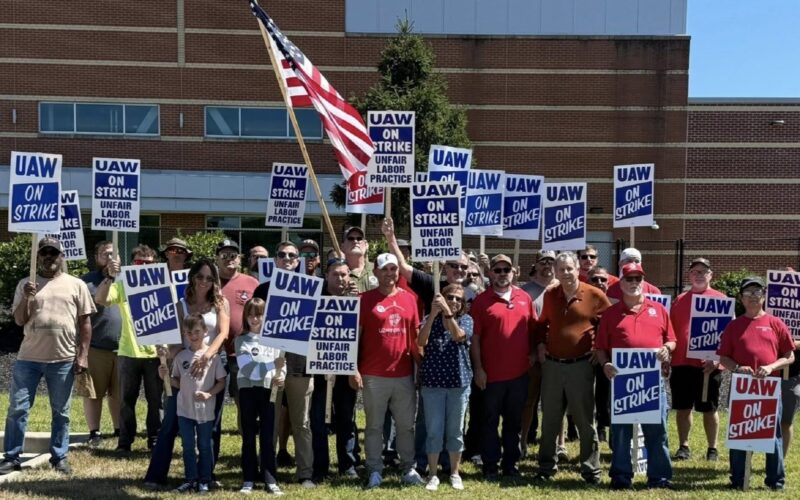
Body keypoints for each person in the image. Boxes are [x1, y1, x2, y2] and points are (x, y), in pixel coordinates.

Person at [0, 237, 95, 475]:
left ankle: (59, 457)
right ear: (38, 257)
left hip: (62, 359)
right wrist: (25, 296)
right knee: (18, 408)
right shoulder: (26, 283)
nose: (49, 257)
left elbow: (85, 324)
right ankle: (11, 457)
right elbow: (20, 319)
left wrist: (82, 356)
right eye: (44, 253)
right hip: (28, 359)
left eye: (54, 252)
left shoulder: (76, 285)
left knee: (61, 412)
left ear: (62, 256)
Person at [595, 263, 676, 489]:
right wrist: (606, 364)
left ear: (643, 282)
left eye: (637, 279)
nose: (633, 283)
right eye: (629, 279)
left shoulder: (658, 310)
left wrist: (667, 349)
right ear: (620, 283)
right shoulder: (611, 314)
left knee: (657, 431)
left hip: (652, 382)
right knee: (620, 434)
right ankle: (621, 477)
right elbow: (600, 347)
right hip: (622, 382)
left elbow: (672, 339)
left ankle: (659, 477)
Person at [534, 252, 611, 484]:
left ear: (579, 269)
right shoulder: (550, 295)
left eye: (569, 268)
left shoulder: (595, 295)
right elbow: (541, 324)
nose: (565, 273)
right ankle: (546, 468)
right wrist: (540, 344)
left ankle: (590, 469)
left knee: (585, 419)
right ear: (555, 272)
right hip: (553, 366)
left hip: (581, 366)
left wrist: (599, 349)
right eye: (561, 269)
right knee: (550, 418)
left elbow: (608, 326)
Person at [351, 253, 424, 489]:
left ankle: (408, 468)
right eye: (384, 269)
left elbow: (414, 339)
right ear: (375, 272)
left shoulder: (410, 299)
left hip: (403, 374)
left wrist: (420, 367)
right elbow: (355, 338)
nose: (389, 273)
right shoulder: (364, 299)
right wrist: (353, 368)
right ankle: (374, 469)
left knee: (406, 425)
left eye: (393, 269)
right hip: (373, 374)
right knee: (373, 426)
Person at [718, 276, 795, 491]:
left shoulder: (775, 323)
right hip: (743, 388)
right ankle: (738, 479)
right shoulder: (734, 326)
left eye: (758, 292)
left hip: (769, 388)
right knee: (739, 433)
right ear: (741, 298)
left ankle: (775, 481)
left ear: (764, 296)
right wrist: (737, 367)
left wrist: (771, 367)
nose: (753, 296)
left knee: (773, 434)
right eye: (749, 293)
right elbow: (723, 357)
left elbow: (789, 356)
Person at [254, 241, 317, 488]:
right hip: (269, 365)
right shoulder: (262, 290)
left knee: (302, 422)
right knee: (269, 419)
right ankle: (268, 470)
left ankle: (305, 474)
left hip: (301, 366)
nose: (287, 258)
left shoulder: (309, 289)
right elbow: (254, 325)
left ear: (298, 261)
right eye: (282, 254)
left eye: (292, 255)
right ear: (275, 260)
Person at [470, 254, 537, 480]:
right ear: (489, 273)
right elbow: (475, 338)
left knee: (513, 422)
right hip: (490, 375)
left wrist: (534, 353)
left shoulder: (524, 298)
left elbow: (534, 330)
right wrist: (478, 369)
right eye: (497, 270)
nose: (501, 274)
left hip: (519, 374)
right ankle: (490, 464)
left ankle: (511, 464)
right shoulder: (482, 300)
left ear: (514, 272)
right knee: (489, 421)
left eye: (505, 270)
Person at [96, 244, 163, 453]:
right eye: (139, 263)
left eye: (148, 263)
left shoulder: (162, 284)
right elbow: (101, 299)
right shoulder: (123, 284)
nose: (143, 266)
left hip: (156, 353)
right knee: (126, 401)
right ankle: (125, 442)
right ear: (132, 265)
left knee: (156, 401)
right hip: (128, 351)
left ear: (155, 264)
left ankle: (154, 440)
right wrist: (110, 277)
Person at [669, 257, 726, 462]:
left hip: (708, 366)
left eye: (703, 271)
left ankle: (713, 448)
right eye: (695, 271)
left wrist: (717, 358)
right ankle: (683, 446)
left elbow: (727, 334)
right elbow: (671, 331)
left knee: (709, 409)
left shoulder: (720, 299)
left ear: (710, 275)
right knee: (683, 408)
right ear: (689, 275)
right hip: (682, 363)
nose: (699, 275)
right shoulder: (679, 300)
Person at [418, 284, 473, 491]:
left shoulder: (466, 320)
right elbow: (421, 341)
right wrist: (432, 315)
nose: (454, 301)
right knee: (434, 430)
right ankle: (433, 474)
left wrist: (448, 313)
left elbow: (459, 336)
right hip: (433, 384)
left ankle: (454, 472)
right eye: (450, 297)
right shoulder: (428, 317)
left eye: (459, 299)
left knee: (455, 431)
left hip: (458, 383)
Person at [167, 313, 227, 494]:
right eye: (189, 333)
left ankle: (205, 479)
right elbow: (175, 380)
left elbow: (221, 382)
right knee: (187, 446)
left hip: (205, 411)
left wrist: (209, 394)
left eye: (197, 331)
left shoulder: (213, 357)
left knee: (204, 445)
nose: (193, 336)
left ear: (205, 331)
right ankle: (190, 479)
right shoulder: (181, 356)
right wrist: (165, 376)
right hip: (184, 409)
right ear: (184, 334)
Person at [236, 297, 286, 495]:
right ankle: (248, 478)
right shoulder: (241, 340)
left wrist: (280, 376)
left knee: (268, 436)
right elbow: (249, 370)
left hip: (268, 391)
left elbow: (282, 364)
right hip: (247, 391)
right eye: (250, 315)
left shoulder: (276, 340)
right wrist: (273, 366)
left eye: (259, 314)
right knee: (248, 435)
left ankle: (270, 479)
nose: (254, 319)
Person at [323, 258, 362, 478]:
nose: (340, 278)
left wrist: (354, 369)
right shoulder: (316, 299)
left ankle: (348, 464)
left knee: (347, 418)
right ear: (327, 275)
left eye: (344, 274)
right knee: (320, 420)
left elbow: (359, 339)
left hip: (347, 368)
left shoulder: (355, 302)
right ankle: (321, 465)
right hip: (320, 370)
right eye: (335, 274)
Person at [81, 241, 122, 446]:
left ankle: (118, 430)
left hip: (124, 348)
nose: (110, 258)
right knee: (94, 393)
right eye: (105, 254)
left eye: (114, 254)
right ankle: (94, 433)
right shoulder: (86, 282)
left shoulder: (129, 280)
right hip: (96, 347)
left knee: (118, 394)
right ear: (96, 258)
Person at [215, 240, 258, 431]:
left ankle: (245, 434)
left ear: (239, 259)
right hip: (214, 351)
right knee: (214, 397)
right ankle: (211, 435)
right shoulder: (208, 281)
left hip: (243, 350)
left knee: (244, 398)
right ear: (216, 259)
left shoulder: (251, 282)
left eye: (233, 255)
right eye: (224, 255)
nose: (229, 259)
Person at [519, 250, 557, 456]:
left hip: (557, 354)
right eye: (543, 262)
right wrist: (532, 351)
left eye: (551, 262)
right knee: (529, 401)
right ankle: (523, 442)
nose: (547, 266)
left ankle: (557, 445)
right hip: (533, 355)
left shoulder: (563, 288)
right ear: (536, 265)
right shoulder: (525, 292)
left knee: (556, 402)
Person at [587, 264, 613, 442]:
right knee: (582, 394)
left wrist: (600, 350)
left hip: (606, 355)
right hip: (584, 355)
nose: (599, 282)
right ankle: (575, 428)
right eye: (594, 279)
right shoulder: (581, 301)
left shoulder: (614, 305)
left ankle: (603, 426)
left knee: (605, 392)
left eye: (603, 279)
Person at [342, 226, 378, 292]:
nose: (355, 241)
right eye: (350, 238)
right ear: (343, 246)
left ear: (366, 245)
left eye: (359, 238)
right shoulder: (337, 273)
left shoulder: (378, 269)